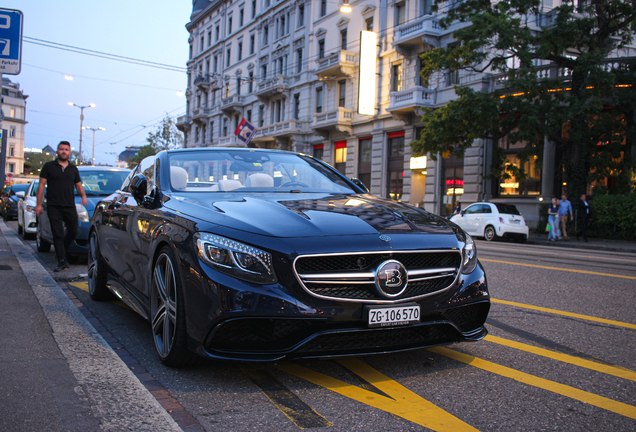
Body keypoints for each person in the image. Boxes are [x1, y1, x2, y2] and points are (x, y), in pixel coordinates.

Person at [34, 141, 88, 272]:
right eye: (61, 149)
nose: (64, 151)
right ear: (57, 151)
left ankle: (61, 250)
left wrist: (83, 196)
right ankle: (62, 260)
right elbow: (41, 185)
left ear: (69, 152)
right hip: (54, 206)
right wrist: (39, 204)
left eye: (66, 150)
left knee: (73, 230)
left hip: (69, 205)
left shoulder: (73, 169)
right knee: (57, 233)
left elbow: (78, 185)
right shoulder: (48, 166)